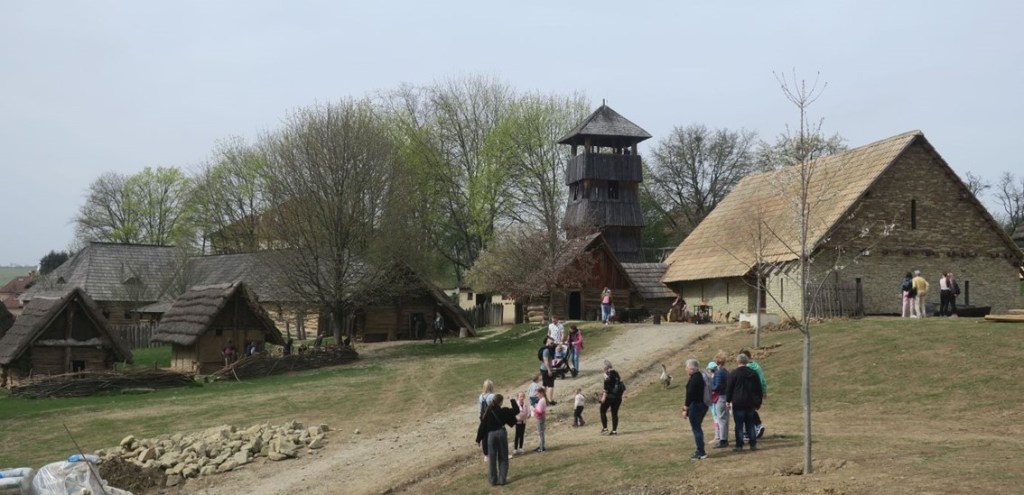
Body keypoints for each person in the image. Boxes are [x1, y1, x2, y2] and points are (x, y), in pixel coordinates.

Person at [475, 394, 520, 486]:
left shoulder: (488, 412)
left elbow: (482, 426)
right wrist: (512, 399)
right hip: (501, 433)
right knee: (503, 457)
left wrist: (478, 439)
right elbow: (516, 410)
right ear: (501, 402)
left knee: (492, 459)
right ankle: (502, 480)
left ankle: (492, 480)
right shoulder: (504, 411)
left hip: (491, 436)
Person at [725, 353, 763, 451]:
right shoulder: (753, 373)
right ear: (747, 361)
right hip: (750, 402)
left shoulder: (734, 373)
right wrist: (758, 401)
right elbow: (758, 389)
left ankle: (739, 445)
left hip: (738, 401)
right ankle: (753, 443)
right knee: (750, 423)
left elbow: (729, 388)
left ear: (738, 361)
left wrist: (728, 400)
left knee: (739, 424)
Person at [683, 358, 709, 460]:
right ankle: (701, 449)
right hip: (703, 404)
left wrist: (685, 407)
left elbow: (690, 394)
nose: (686, 370)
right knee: (697, 427)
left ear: (691, 368)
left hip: (696, 406)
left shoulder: (694, 379)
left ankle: (700, 451)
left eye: (687, 368)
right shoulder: (701, 376)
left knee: (696, 428)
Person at [738, 349, 767, 439]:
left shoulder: (747, 368)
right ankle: (756, 427)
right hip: (758, 392)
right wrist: (764, 391)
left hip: (749, 392)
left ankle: (756, 426)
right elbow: (763, 379)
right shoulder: (757, 366)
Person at [710, 351, 730, 448]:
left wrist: (710, 388)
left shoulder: (718, 373)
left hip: (720, 397)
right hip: (726, 396)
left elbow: (717, 386)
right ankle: (724, 439)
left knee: (721, 419)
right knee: (725, 419)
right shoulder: (726, 372)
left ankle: (723, 440)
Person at [600, 360, 623, 435]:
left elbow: (606, 386)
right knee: (614, 413)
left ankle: (605, 428)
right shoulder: (616, 373)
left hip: (609, 396)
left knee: (602, 411)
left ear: (605, 367)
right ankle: (614, 431)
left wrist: (603, 397)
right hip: (618, 397)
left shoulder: (607, 374)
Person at [539, 337, 558, 405]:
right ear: (547, 343)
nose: (553, 343)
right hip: (546, 369)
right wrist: (549, 370)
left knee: (544, 384)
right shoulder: (546, 350)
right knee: (551, 385)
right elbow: (546, 361)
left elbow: (556, 345)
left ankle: (543, 399)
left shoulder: (548, 348)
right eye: (551, 342)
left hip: (543, 369)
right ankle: (550, 400)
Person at [533, 388, 548, 452]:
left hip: (540, 418)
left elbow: (540, 411)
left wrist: (534, 408)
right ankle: (540, 446)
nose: (537, 395)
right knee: (540, 433)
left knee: (540, 433)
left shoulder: (542, 400)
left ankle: (542, 448)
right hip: (540, 417)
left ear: (541, 393)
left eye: (537, 393)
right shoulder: (542, 400)